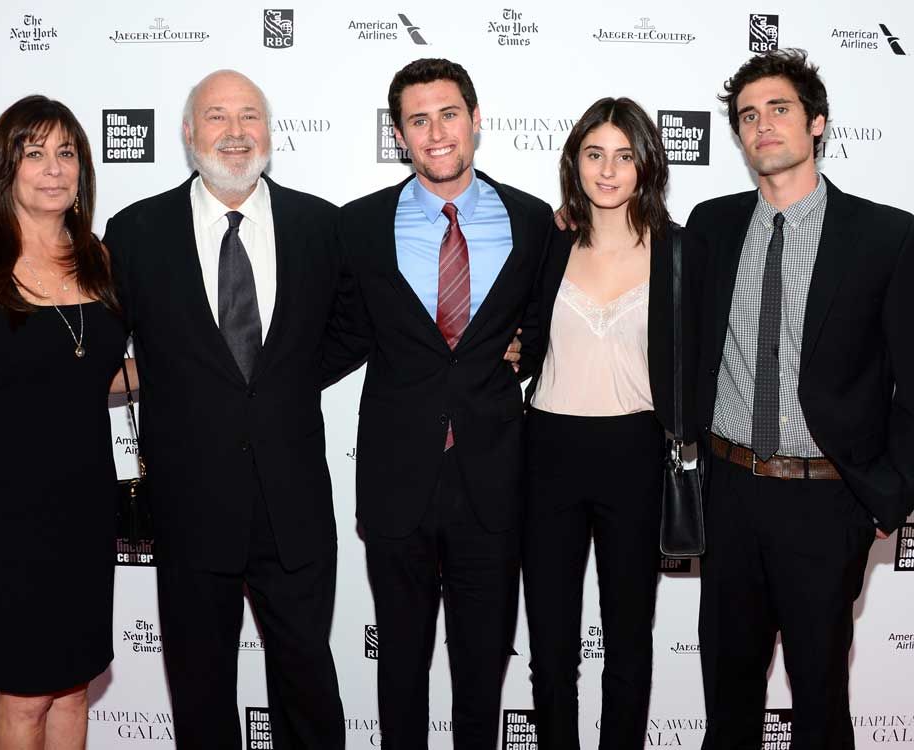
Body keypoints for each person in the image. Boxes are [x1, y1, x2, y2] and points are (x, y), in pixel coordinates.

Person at [102, 70, 344, 749]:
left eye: (250, 117)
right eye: (217, 116)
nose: (235, 133)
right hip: (188, 508)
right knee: (200, 695)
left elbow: (356, 326)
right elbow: (95, 348)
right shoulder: (136, 232)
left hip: (292, 508)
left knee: (308, 692)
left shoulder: (320, 226)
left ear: (269, 132)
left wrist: (284, 381)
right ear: (188, 134)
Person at [690, 48, 914, 748]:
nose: (763, 125)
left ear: (818, 123)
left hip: (825, 501)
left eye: (779, 109)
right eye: (748, 115)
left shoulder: (885, 235)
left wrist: (891, 494)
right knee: (726, 698)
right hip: (727, 491)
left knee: (819, 701)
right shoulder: (711, 225)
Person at [325, 58, 552, 750]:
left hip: (494, 483)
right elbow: (334, 337)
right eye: (418, 120)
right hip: (397, 485)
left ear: (476, 119)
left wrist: (527, 353)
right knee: (399, 670)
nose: (436, 132)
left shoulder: (533, 220)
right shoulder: (358, 227)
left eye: (448, 114)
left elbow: (548, 334)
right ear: (400, 135)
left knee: (483, 674)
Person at [0, 95, 127, 750]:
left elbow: (92, 372)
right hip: (4, 517)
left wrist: (204, 363)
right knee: (25, 693)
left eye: (66, 153)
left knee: (74, 687)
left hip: (86, 507)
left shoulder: (98, 258)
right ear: (3, 167)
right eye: (34, 153)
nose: (54, 169)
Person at [518, 97, 700, 749]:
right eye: (595, 154)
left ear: (646, 165)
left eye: (625, 156)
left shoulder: (680, 251)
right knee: (551, 645)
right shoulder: (549, 241)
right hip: (548, 450)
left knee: (628, 641)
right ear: (575, 162)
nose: (608, 170)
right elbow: (520, 336)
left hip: (634, 453)